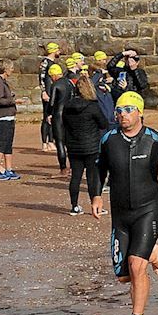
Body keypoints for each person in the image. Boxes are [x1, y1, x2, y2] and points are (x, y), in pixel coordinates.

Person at [91, 91, 158, 315]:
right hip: (120, 215)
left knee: (136, 267)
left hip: (148, 210)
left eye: (129, 110)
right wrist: (96, 196)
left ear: (140, 112)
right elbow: (98, 169)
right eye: (119, 110)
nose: (123, 115)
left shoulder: (154, 138)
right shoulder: (109, 139)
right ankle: (152, 251)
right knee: (124, 276)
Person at [63, 74, 110, 214]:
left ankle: (74, 206)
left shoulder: (67, 105)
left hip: (73, 146)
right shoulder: (92, 106)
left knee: (76, 176)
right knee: (93, 177)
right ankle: (95, 205)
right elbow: (103, 124)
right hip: (91, 146)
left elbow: (64, 124)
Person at [0, 58, 21, 181]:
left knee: (8, 144)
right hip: (2, 117)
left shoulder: (2, 81)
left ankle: (8, 169)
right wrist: (13, 100)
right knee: (1, 143)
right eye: (11, 67)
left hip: (8, 116)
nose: (12, 70)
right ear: (6, 69)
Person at [48, 62, 76, 174]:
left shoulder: (56, 84)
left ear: (53, 75)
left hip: (58, 115)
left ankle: (63, 168)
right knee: (70, 142)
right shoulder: (69, 82)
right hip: (70, 114)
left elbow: (51, 103)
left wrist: (49, 114)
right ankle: (74, 166)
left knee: (59, 141)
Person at [39, 43, 63, 151]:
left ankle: (50, 140)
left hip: (52, 91)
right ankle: (45, 142)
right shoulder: (45, 62)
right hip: (48, 92)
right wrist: (44, 91)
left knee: (51, 116)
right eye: (57, 50)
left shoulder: (53, 63)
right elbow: (41, 77)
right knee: (46, 116)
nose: (59, 52)